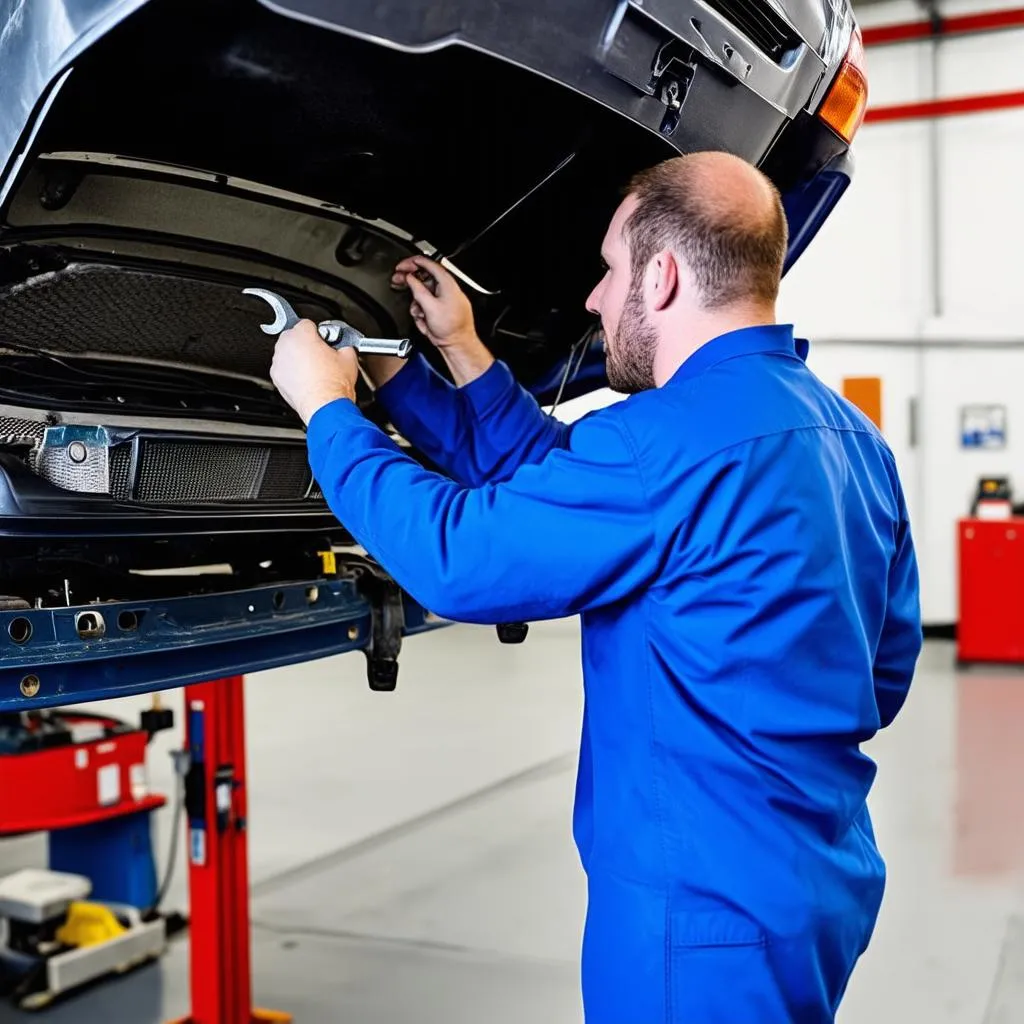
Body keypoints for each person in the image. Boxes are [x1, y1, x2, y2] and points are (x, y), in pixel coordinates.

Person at [269, 151, 922, 1023]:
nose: (593, 299)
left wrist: (327, 411)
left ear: (662, 276)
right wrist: (436, 361)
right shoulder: (847, 438)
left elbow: (458, 558)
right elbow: (886, 673)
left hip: (699, 916)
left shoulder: (665, 445)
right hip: (811, 881)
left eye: (609, 270)